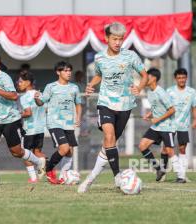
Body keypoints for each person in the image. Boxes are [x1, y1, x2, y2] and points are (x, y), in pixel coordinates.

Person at [78, 22, 149, 193]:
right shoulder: (100, 58)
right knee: (109, 136)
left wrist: (139, 88)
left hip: (125, 105)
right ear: (107, 38)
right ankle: (117, 176)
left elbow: (145, 75)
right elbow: (99, 75)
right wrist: (91, 85)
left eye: (121, 39)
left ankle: (90, 178)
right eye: (114, 39)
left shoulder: (130, 56)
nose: (118, 42)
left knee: (109, 144)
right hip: (106, 103)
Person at [0, 48, 45, 187]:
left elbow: (13, 96)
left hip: (11, 120)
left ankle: (38, 162)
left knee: (17, 152)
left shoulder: (4, 77)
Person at [35, 61, 82, 184]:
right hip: (54, 122)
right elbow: (41, 102)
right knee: (64, 148)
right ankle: (49, 168)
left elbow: (78, 104)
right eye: (65, 70)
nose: (68, 73)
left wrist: (78, 117)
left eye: (69, 70)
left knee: (69, 152)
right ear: (58, 72)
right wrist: (36, 98)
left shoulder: (74, 88)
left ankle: (63, 176)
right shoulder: (51, 87)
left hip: (69, 124)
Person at [139, 68, 185, 183]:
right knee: (142, 145)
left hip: (167, 126)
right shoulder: (150, 92)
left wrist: (157, 119)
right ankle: (159, 169)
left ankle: (181, 176)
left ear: (153, 78)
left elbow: (172, 110)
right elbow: (156, 108)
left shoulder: (161, 92)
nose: (144, 79)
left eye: (147, 77)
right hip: (157, 126)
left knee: (169, 151)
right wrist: (149, 114)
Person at [166, 68, 196, 182]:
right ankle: (173, 172)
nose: (181, 80)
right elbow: (165, 107)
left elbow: (194, 107)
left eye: (183, 78)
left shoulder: (192, 92)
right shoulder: (169, 91)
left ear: (186, 78)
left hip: (183, 126)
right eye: (179, 78)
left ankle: (181, 176)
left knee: (182, 149)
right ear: (175, 79)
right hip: (170, 124)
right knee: (168, 148)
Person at [18, 71, 47, 184]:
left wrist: (17, 114)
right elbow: (46, 108)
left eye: (20, 81)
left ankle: (33, 178)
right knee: (38, 152)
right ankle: (50, 172)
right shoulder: (40, 94)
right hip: (40, 129)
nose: (18, 84)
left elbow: (28, 113)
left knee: (24, 153)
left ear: (28, 82)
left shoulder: (24, 97)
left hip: (29, 130)